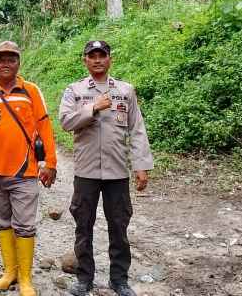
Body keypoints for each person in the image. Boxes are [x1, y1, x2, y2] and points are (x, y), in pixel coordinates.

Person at [58, 40, 154, 296]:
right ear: (85, 60)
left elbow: (136, 130)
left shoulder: (125, 91)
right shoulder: (74, 90)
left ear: (110, 59)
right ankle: (84, 279)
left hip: (117, 173)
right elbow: (66, 121)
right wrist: (92, 108)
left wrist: (141, 166)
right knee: (83, 226)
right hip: (86, 172)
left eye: (102, 55)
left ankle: (119, 279)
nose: (97, 60)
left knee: (119, 226)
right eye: (92, 56)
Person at [0, 40, 58, 296]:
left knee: (25, 225)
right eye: (1, 59)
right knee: (2, 222)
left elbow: (45, 128)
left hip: (24, 172)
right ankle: (10, 272)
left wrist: (50, 163)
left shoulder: (30, 91)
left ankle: (26, 279)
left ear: (18, 62)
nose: (6, 64)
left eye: (11, 59)